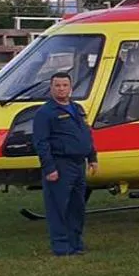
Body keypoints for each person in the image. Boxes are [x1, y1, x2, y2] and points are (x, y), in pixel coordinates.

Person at [32, 72, 98, 256]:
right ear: (51, 88)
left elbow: (86, 134)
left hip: (79, 164)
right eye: (57, 85)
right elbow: (41, 143)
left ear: (71, 87)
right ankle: (61, 247)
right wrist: (49, 168)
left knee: (77, 206)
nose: (61, 89)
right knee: (58, 207)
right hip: (60, 164)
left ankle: (76, 244)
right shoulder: (45, 113)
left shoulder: (77, 108)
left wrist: (92, 157)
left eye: (64, 85)